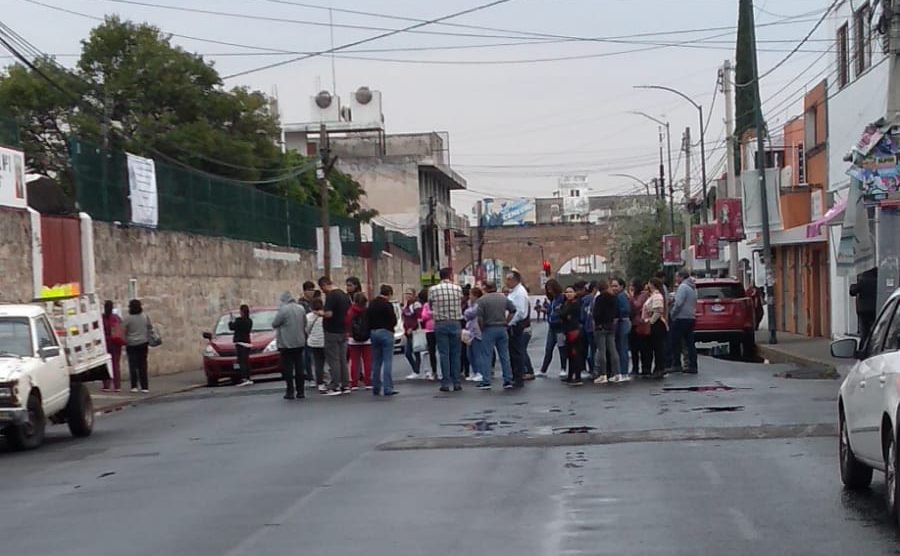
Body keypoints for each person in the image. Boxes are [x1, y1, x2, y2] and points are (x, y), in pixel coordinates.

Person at [428, 268, 464, 392]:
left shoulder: (432, 290)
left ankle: (445, 383)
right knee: (456, 353)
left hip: (440, 323)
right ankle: (457, 382)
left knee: (444, 354)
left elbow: (430, 305)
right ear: (450, 276)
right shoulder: (458, 288)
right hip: (455, 322)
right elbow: (460, 301)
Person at [476, 281, 516, 390]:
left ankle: (486, 381)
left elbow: (479, 317)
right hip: (502, 328)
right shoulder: (503, 298)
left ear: (486, 288)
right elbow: (513, 310)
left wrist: (481, 327)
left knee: (486, 355)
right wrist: (507, 322)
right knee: (504, 355)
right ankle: (507, 380)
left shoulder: (482, 300)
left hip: (488, 328)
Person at [318, 276, 351, 395]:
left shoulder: (331, 296)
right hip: (343, 330)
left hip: (332, 331)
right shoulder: (344, 295)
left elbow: (329, 314)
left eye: (322, 288)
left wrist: (320, 313)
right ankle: (345, 385)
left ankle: (335, 385)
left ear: (325, 284)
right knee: (343, 359)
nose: (322, 291)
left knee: (334, 360)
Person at [273, 291, 307, 400]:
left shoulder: (283, 310)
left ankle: (290, 391)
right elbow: (305, 322)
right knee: (299, 367)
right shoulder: (301, 308)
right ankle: (301, 391)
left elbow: (275, 323)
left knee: (288, 369)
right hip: (300, 342)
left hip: (286, 343)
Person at [368, 285, 399, 397]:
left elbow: (367, 318)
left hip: (374, 332)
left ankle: (376, 387)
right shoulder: (387, 305)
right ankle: (388, 388)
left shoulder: (372, 303)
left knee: (376, 361)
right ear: (389, 293)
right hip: (386, 332)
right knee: (387, 361)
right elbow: (393, 320)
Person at [668, 270, 698, 374]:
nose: (676, 279)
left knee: (675, 342)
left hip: (681, 318)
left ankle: (676, 364)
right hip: (690, 317)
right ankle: (692, 365)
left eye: (677, 277)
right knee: (689, 342)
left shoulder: (682, 287)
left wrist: (672, 314)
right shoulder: (692, 287)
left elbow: (678, 303)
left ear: (681, 277)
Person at [505, 270, 530, 387]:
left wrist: (509, 323)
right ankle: (516, 376)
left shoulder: (519, 293)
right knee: (514, 351)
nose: (507, 282)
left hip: (516, 325)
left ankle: (518, 377)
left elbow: (519, 312)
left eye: (508, 279)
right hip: (514, 324)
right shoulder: (514, 292)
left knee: (516, 352)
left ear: (514, 280)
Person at [123, 299, 153, 393]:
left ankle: (134, 386)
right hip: (143, 343)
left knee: (133, 365)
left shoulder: (128, 318)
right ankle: (144, 386)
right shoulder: (145, 317)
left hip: (131, 343)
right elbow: (150, 327)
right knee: (143, 365)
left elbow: (123, 329)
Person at [592, 281, 619, 384]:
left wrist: (596, 321)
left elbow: (596, 313)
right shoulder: (613, 298)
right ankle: (617, 373)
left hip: (600, 326)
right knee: (613, 350)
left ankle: (603, 375)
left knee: (602, 351)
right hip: (611, 326)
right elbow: (616, 312)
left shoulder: (599, 299)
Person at [539, 279, 567, 379]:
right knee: (548, 349)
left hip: (560, 327)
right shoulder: (552, 300)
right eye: (548, 289)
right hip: (552, 327)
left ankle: (563, 369)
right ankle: (543, 370)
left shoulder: (562, 298)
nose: (550, 291)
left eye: (551, 289)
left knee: (561, 348)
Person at [643, 278, 669, 378]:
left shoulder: (657, 296)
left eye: (649, 283)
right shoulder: (653, 295)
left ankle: (659, 368)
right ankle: (657, 368)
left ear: (652, 284)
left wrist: (650, 321)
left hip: (657, 324)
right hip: (654, 323)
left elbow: (658, 311)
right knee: (654, 347)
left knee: (658, 347)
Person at [560, 286, 585, 385]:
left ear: (575, 293)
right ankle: (570, 376)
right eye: (566, 292)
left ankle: (577, 377)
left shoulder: (575, 304)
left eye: (571, 292)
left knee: (576, 355)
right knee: (569, 355)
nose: (568, 294)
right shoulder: (566, 304)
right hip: (567, 330)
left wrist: (564, 315)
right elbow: (561, 314)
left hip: (575, 332)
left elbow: (563, 313)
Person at [347, 292, 372, 391]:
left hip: (353, 339)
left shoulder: (350, 311)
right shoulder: (367, 311)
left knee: (354, 361)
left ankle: (354, 383)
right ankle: (368, 382)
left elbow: (347, 323)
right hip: (367, 339)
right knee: (367, 361)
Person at [629, 279, 652, 377]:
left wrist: (630, 297)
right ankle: (635, 367)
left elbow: (637, 305)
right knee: (634, 348)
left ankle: (645, 368)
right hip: (633, 323)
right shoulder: (634, 295)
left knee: (643, 347)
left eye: (632, 285)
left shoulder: (643, 295)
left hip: (640, 323)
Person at [611, 278, 632, 382]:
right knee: (619, 348)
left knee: (623, 348)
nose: (614, 288)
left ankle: (624, 372)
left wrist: (617, 313)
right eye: (612, 286)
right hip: (621, 322)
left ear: (621, 286)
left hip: (623, 322)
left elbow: (626, 309)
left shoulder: (621, 296)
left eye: (616, 286)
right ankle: (620, 372)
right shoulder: (618, 296)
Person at [305, 298, 328, 393]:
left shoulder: (308, 317)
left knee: (318, 363)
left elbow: (306, 329)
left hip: (314, 342)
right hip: (326, 341)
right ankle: (331, 380)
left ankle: (320, 383)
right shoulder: (325, 315)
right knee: (330, 362)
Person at [101, 300, 124, 392]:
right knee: (115, 364)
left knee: (106, 365)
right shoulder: (116, 318)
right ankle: (117, 385)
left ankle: (106, 385)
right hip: (116, 343)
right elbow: (121, 329)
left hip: (105, 343)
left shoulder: (102, 318)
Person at [229, 304, 254, 387]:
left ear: (242, 312)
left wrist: (231, 321)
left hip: (240, 343)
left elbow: (232, 327)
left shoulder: (239, 320)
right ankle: (248, 377)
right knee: (246, 361)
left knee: (242, 362)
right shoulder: (250, 321)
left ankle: (244, 378)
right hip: (247, 343)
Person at [464, 286, 485, 384]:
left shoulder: (478, 304)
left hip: (477, 331)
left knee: (477, 353)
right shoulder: (471, 304)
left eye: (470, 294)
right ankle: (475, 371)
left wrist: (466, 312)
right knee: (470, 354)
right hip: (470, 331)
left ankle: (480, 372)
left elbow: (470, 313)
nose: (469, 297)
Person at [850, 267, 878, 340]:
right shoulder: (877, 280)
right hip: (876, 308)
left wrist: (853, 285)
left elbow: (853, 291)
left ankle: (864, 347)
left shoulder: (864, 280)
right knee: (876, 327)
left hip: (864, 310)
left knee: (865, 331)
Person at [401, 288, 423, 379]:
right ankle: (416, 370)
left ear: (414, 295)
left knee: (413, 351)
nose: (407, 295)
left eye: (409, 294)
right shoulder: (406, 305)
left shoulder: (416, 305)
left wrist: (412, 327)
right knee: (409, 352)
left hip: (415, 331)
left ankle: (416, 370)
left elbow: (418, 318)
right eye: (406, 293)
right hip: (408, 332)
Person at [299, 281, 317, 381]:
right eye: (310, 290)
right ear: (305, 291)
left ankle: (316, 375)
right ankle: (309, 375)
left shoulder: (315, 302)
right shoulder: (301, 304)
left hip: (315, 333)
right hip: (305, 333)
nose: (312, 292)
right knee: (307, 355)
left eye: (313, 290)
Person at [419, 289, 438, 380]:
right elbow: (423, 316)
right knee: (431, 351)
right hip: (429, 330)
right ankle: (434, 371)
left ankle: (442, 370)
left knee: (442, 351)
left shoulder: (437, 304)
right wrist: (432, 314)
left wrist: (430, 314)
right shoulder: (426, 305)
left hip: (438, 329)